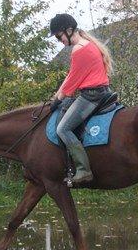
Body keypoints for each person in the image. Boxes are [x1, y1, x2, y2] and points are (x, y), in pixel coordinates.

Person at [49, 13, 114, 184]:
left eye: (58, 36)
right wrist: (57, 94)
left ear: (69, 30)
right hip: (100, 92)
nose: (58, 40)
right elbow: (72, 74)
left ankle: (84, 170)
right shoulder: (87, 45)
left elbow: (73, 82)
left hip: (92, 95)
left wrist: (59, 99)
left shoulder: (79, 49)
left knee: (62, 129)